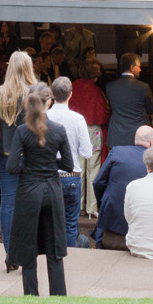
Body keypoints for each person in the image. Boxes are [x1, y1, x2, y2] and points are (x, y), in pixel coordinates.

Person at [6, 82, 73, 296]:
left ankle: (31, 295)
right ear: (50, 101)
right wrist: (50, 164)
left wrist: (30, 164)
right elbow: (69, 165)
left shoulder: (23, 131)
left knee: (28, 246)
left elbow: (12, 166)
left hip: (28, 191)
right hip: (52, 191)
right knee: (54, 249)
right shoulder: (59, 130)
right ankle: (58, 295)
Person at [0, 50, 37, 249]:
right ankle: (25, 248)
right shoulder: (35, 92)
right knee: (28, 203)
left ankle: (10, 250)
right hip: (28, 155)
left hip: (4, 153)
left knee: (8, 202)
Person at [91, 124, 153, 249]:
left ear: (135, 139)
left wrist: (102, 202)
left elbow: (98, 182)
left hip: (112, 208)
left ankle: (99, 245)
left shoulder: (116, 151)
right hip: (141, 214)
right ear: (152, 143)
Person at [48, 75, 92, 247]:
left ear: (52, 94)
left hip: (49, 174)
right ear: (70, 95)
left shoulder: (44, 116)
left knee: (50, 221)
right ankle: (71, 257)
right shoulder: (77, 119)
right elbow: (87, 152)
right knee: (70, 224)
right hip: (71, 174)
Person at [105, 52, 153, 155]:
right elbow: (151, 109)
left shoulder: (110, 86)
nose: (140, 70)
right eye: (139, 67)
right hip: (139, 135)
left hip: (117, 134)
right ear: (132, 67)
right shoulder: (143, 87)